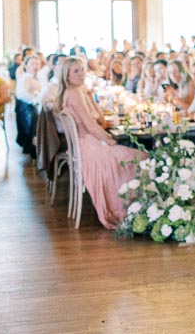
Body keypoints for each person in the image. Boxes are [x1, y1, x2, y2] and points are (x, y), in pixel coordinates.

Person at [56, 57, 146, 228]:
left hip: (85, 146)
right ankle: (131, 210)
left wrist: (90, 96)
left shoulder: (75, 92)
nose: (81, 74)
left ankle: (136, 208)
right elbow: (90, 126)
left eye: (82, 69)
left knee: (134, 156)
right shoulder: (74, 94)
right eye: (76, 71)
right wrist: (109, 140)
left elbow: (99, 120)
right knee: (142, 158)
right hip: (91, 149)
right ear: (66, 76)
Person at [13, 53, 42, 157]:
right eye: (32, 64)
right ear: (26, 66)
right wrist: (35, 100)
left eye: (37, 64)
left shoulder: (37, 78)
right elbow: (21, 94)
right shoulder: (26, 78)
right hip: (27, 107)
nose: (35, 66)